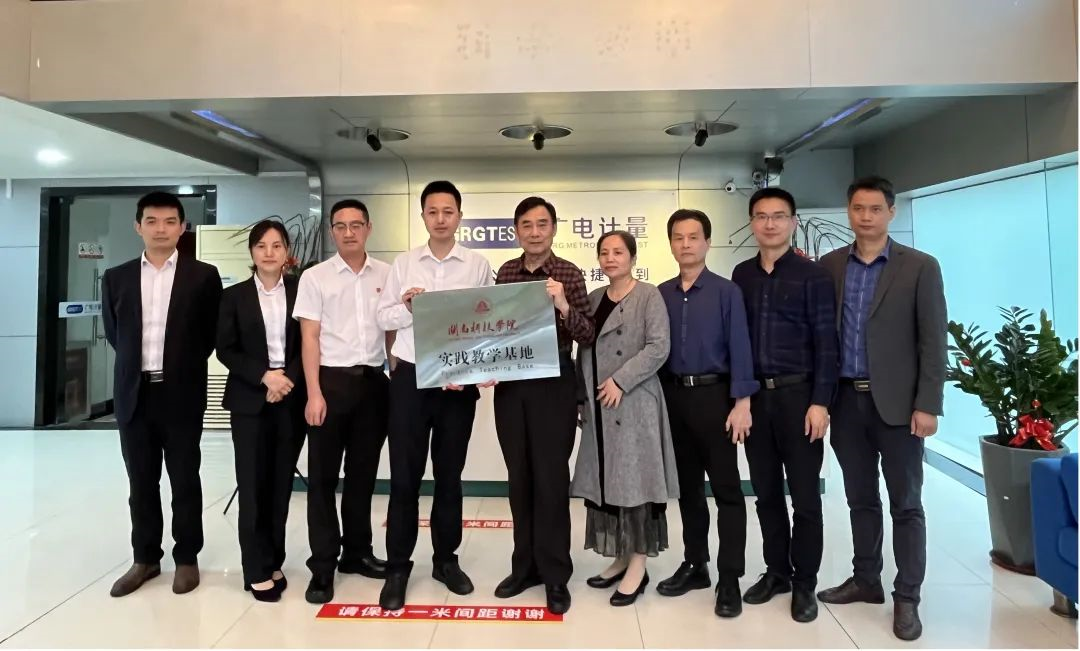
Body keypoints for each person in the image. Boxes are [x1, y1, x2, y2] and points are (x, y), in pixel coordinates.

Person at [816, 176, 946, 641]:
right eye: (858, 208)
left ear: (891, 212)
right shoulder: (831, 265)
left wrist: (928, 404)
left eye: (875, 208)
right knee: (860, 498)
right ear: (848, 212)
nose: (866, 216)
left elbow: (933, 339)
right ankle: (866, 579)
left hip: (899, 406)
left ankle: (907, 596)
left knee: (906, 504)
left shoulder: (920, 267)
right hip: (846, 400)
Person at [376, 180, 495, 611]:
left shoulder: (477, 265)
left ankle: (446, 560)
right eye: (433, 211)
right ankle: (397, 567)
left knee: (449, 476)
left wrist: (476, 369)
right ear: (423, 215)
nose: (440, 219)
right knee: (404, 477)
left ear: (459, 216)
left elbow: (488, 322)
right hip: (411, 378)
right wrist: (407, 307)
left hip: (457, 383)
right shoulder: (404, 263)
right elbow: (382, 316)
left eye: (448, 211)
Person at [101, 191, 223, 597]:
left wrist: (180, 366)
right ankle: (145, 558)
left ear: (182, 227)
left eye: (170, 221)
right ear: (138, 226)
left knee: (184, 478)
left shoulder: (203, 276)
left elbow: (208, 335)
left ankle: (186, 557)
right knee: (141, 480)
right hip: (134, 393)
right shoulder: (116, 277)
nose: (161, 229)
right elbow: (116, 334)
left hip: (181, 393)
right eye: (152, 221)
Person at [730, 189, 838, 623]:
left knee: (806, 497)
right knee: (767, 494)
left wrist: (821, 402)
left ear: (793, 222)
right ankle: (776, 572)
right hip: (757, 400)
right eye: (761, 216)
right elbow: (737, 343)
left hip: (800, 398)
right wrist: (740, 398)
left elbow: (827, 343)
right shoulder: (741, 275)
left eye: (778, 216)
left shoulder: (814, 276)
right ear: (752, 223)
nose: (770, 224)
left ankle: (805, 582)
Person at [492, 197, 594, 615]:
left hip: (555, 383)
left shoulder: (568, 273)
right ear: (516, 230)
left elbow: (588, 334)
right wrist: (484, 363)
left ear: (553, 228)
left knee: (551, 480)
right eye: (526, 225)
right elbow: (494, 330)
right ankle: (524, 568)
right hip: (512, 385)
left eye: (542, 224)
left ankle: (555, 574)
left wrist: (563, 306)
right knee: (519, 479)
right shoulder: (506, 273)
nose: (534, 232)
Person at [656, 209, 758, 618]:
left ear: (707, 242)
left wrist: (742, 402)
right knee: (688, 491)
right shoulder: (661, 294)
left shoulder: (726, 291)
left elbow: (741, 347)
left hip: (716, 399)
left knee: (727, 491)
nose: (686, 244)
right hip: (673, 399)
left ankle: (729, 577)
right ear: (670, 244)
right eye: (678, 237)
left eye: (693, 237)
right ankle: (695, 564)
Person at [570, 230, 679, 608]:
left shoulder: (648, 296)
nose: (610, 258)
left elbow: (659, 347)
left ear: (633, 257)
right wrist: (582, 396)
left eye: (618, 252)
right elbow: (583, 350)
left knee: (636, 486)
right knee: (608, 484)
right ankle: (620, 556)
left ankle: (638, 564)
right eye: (604, 252)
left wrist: (620, 380)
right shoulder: (594, 299)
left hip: (634, 403)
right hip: (600, 406)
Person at [293, 199, 393, 604]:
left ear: (369, 228)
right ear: (332, 231)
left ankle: (357, 553)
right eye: (340, 226)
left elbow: (392, 331)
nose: (349, 232)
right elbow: (309, 337)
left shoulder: (387, 274)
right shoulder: (315, 277)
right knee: (321, 479)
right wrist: (313, 393)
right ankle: (322, 565)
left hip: (374, 385)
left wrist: (395, 377)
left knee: (362, 477)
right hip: (329, 385)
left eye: (356, 224)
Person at [216, 220, 307, 602]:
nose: (269, 252)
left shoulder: (302, 290)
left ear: (287, 252)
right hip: (249, 401)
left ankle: (273, 560)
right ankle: (254, 570)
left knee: (280, 485)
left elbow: (311, 342)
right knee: (253, 486)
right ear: (252, 252)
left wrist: (286, 379)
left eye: (277, 245)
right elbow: (226, 349)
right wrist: (265, 377)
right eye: (261, 246)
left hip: (290, 397)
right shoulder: (233, 296)